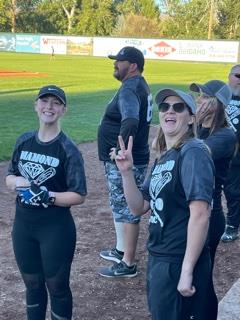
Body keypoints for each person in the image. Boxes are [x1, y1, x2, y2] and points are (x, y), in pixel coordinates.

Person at [114, 88, 214, 319]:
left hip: (178, 259)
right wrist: (127, 173)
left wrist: (186, 271)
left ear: (191, 118)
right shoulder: (164, 157)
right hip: (160, 255)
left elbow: (200, 213)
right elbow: (139, 207)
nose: (170, 111)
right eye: (165, 107)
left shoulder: (193, 151)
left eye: (178, 107)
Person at [5, 85, 87, 320]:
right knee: (32, 284)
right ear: (36, 106)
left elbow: (79, 194)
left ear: (63, 110)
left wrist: (48, 196)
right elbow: (9, 175)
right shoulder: (24, 141)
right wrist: (16, 181)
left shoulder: (68, 149)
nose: (49, 107)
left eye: (55, 103)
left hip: (55, 228)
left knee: (57, 287)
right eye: (44, 101)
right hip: (24, 226)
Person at [97, 46, 153, 278]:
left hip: (128, 160)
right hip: (133, 157)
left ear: (132, 66)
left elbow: (130, 120)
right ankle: (121, 250)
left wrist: (121, 151)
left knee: (129, 210)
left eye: (119, 61)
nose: (115, 64)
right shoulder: (138, 84)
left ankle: (128, 263)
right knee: (121, 205)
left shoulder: (130, 88)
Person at [190, 80, 236, 320]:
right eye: (198, 97)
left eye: (205, 98)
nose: (199, 101)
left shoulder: (226, 135)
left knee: (201, 279)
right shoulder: (201, 130)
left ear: (219, 104)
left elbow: (193, 155)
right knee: (193, 275)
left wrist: (192, 126)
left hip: (209, 216)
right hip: (192, 214)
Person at [221, 64, 240, 242]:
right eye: (237, 75)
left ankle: (233, 226)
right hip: (225, 151)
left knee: (233, 190)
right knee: (226, 188)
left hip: (237, 154)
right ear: (229, 76)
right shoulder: (223, 97)